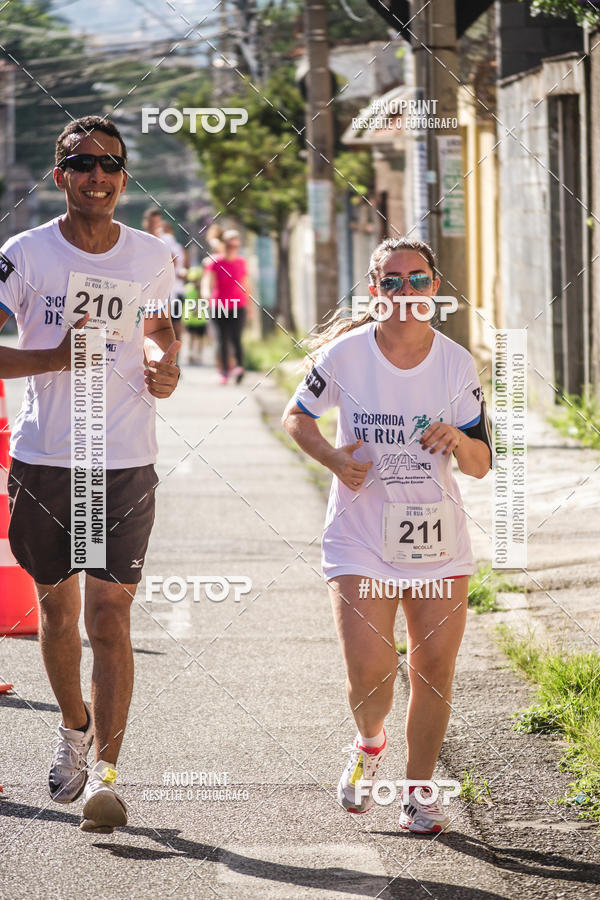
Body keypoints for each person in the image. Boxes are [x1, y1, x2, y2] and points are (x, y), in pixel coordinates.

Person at [0, 115, 180, 834]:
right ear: (61, 176)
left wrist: (167, 365)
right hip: (46, 460)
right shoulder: (24, 255)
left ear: (124, 177)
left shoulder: (153, 255)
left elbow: (164, 326)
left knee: (112, 616)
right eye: (82, 164)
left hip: (127, 460)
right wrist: (53, 358)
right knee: (58, 614)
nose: (96, 176)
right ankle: (72, 728)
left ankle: (106, 771)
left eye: (109, 164)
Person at [282, 237, 492, 834]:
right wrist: (331, 457)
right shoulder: (347, 356)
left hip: (438, 537)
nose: (405, 293)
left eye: (417, 281)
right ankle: (369, 743)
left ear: (435, 289)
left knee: (434, 671)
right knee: (371, 671)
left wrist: (457, 436)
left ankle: (420, 792)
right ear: (374, 290)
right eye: (392, 282)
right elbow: (296, 415)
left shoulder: (455, 362)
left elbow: (481, 463)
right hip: (360, 534)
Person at [205, 229, 249, 385]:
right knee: (222, 339)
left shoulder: (241, 262)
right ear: (224, 244)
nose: (232, 247)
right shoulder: (214, 262)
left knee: (236, 338)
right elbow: (207, 285)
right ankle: (224, 371)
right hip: (219, 306)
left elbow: (245, 285)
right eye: (229, 244)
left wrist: (250, 308)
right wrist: (206, 298)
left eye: (235, 244)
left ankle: (239, 368)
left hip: (239, 305)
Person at [142, 209, 187, 342]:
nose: (154, 225)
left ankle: (174, 358)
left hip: (167, 291)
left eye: (157, 222)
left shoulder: (166, 241)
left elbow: (175, 260)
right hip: (145, 290)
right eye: (151, 222)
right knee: (145, 326)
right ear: (145, 223)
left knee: (171, 324)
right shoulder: (140, 239)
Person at [182, 266, 208, 365]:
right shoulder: (187, 288)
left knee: (199, 338)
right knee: (192, 337)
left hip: (200, 318)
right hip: (191, 318)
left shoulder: (201, 290)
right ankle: (191, 355)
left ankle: (197, 356)